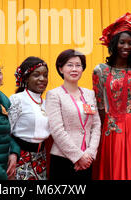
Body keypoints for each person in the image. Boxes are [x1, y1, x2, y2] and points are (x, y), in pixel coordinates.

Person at [93, 12, 131, 179]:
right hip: (111, 127)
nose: (126, 47)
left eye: (130, 43)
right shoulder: (100, 71)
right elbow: (100, 104)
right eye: (122, 42)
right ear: (114, 44)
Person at [45, 49, 101, 180]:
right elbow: (57, 130)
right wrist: (78, 156)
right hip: (63, 158)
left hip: (87, 160)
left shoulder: (89, 94)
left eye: (78, 65)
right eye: (69, 65)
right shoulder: (54, 95)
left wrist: (90, 154)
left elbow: (96, 125)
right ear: (60, 69)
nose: (74, 69)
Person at [8, 56, 50, 180]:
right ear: (26, 78)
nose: (42, 79)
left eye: (45, 75)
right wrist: (12, 154)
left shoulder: (46, 102)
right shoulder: (17, 100)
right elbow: (6, 131)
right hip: (19, 157)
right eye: (36, 75)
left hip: (41, 158)